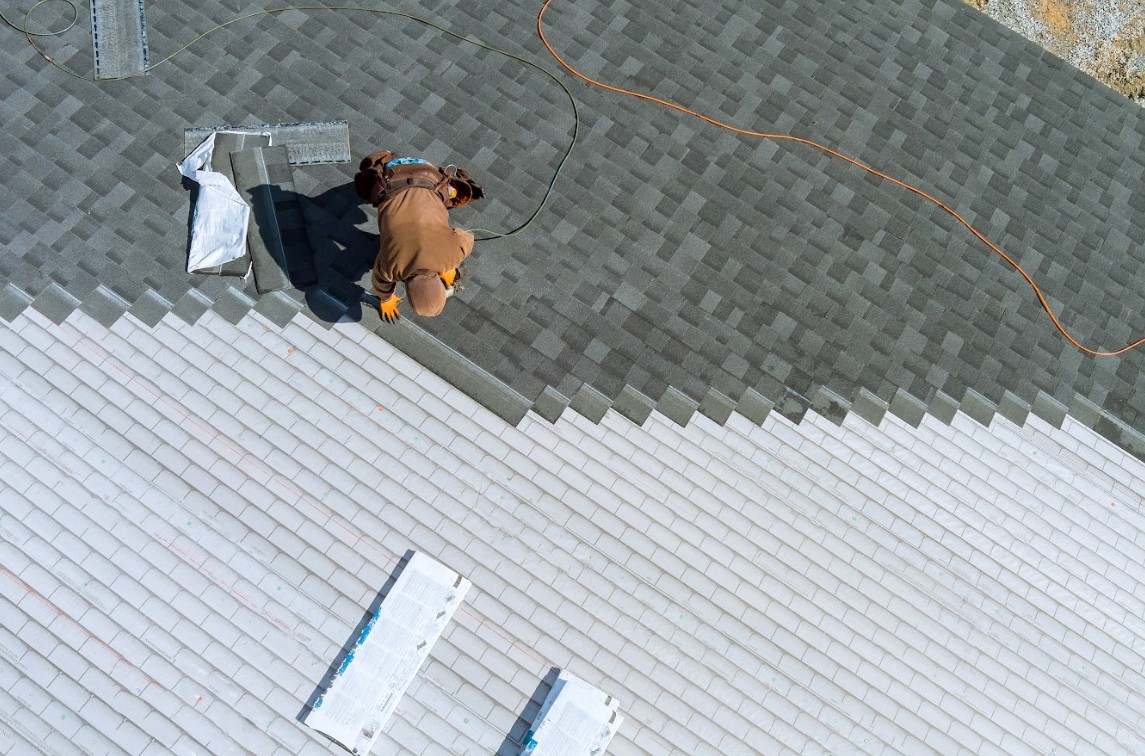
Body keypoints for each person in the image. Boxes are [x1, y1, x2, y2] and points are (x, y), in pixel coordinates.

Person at [354, 150, 484, 322]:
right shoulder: (392, 268)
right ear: (408, 291)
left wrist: (449, 265)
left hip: (428, 174)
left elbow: (466, 237)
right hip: (390, 177)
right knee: (369, 189)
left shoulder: (451, 257)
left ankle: (450, 185)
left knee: (459, 194)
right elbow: (379, 280)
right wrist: (386, 299)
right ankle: (380, 161)